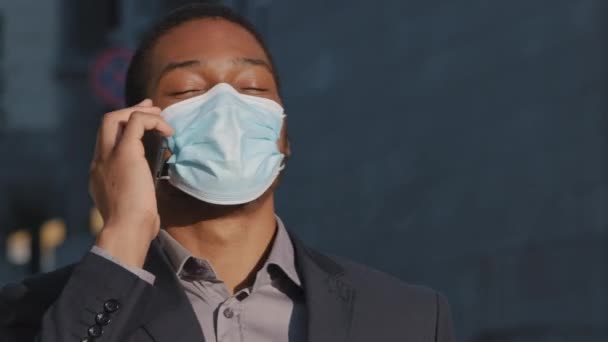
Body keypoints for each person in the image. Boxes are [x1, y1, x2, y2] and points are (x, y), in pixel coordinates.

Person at [0, 3, 455, 342]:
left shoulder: (406, 317)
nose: (226, 109)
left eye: (251, 88)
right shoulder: (36, 313)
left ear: (284, 135)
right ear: (137, 134)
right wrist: (123, 236)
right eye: (187, 89)